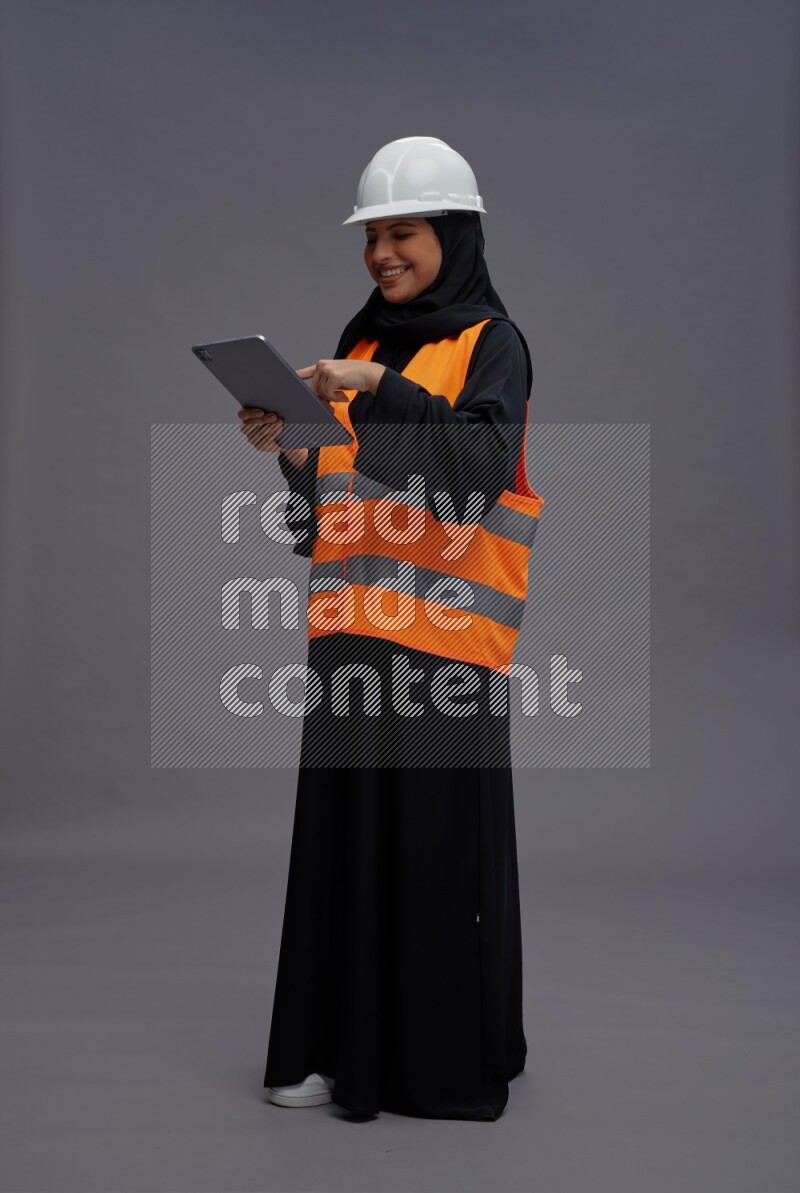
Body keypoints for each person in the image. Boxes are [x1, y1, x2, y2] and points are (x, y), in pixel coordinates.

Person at [239, 136, 544, 1120]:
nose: (381, 255)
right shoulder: (360, 342)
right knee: (344, 850)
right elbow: (336, 497)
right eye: (372, 237)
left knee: (431, 858)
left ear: (451, 235)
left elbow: (473, 475)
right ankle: (334, 1048)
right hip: (349, 643)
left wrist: (377, 395)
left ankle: (438, 1063)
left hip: (445, 652)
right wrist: (290, 446)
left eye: (402, 233)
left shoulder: (490, 342)